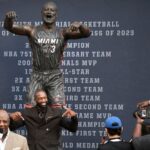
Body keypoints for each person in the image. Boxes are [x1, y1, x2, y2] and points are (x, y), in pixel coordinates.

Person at [4, 1, 91, 107]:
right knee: (30, 108)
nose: (49, 12)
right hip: (37, 75)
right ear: (41, 13)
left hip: (54, 76)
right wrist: (8, 19)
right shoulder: (32, 30)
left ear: (56, 14)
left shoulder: (63, 33)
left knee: (58, 110)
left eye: (52, 10)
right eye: (46, 9)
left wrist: (80, 25)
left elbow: (86, 34)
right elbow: (10, 27)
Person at [9, 89, 78, 150]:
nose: (43, 100)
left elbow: (72, 128)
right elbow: (12, 127)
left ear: (47, 98)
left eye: (45, 98)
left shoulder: (57, 113)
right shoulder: (27, 113)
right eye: (40, 98)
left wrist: (74, 117)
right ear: (35, 99)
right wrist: (11, 118)